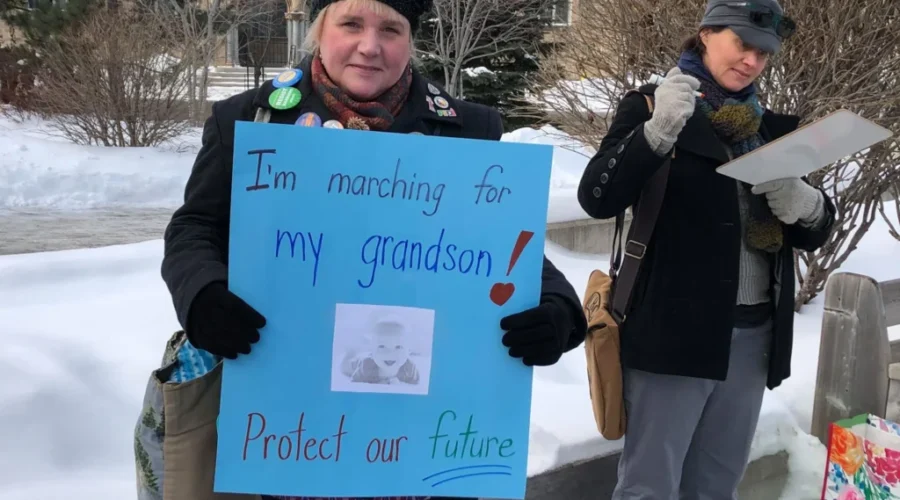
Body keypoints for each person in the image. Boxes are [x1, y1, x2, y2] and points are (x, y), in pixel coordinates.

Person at [133, 0, 587, 499]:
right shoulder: (251, 118)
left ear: (410, 38)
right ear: (318, 30)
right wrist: (202, 294)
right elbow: (195, 226)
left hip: (414, 427)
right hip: (285, 416)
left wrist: (557, 308)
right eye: (351, 24)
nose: (370, 47)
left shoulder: (465, 131)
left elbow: (498, 244)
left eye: (390, 29)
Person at [577, 1, 836, 498]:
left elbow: (815, 230)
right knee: (649, 486)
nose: (753, 62)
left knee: (717, 485)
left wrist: (805, 204)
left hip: (753, 338)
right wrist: (654, 135)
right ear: (706, 34)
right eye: (743, 45)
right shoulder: (653, 106)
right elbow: (597, 196)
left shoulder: (769, 129)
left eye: (765, 53)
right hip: (672, 335)